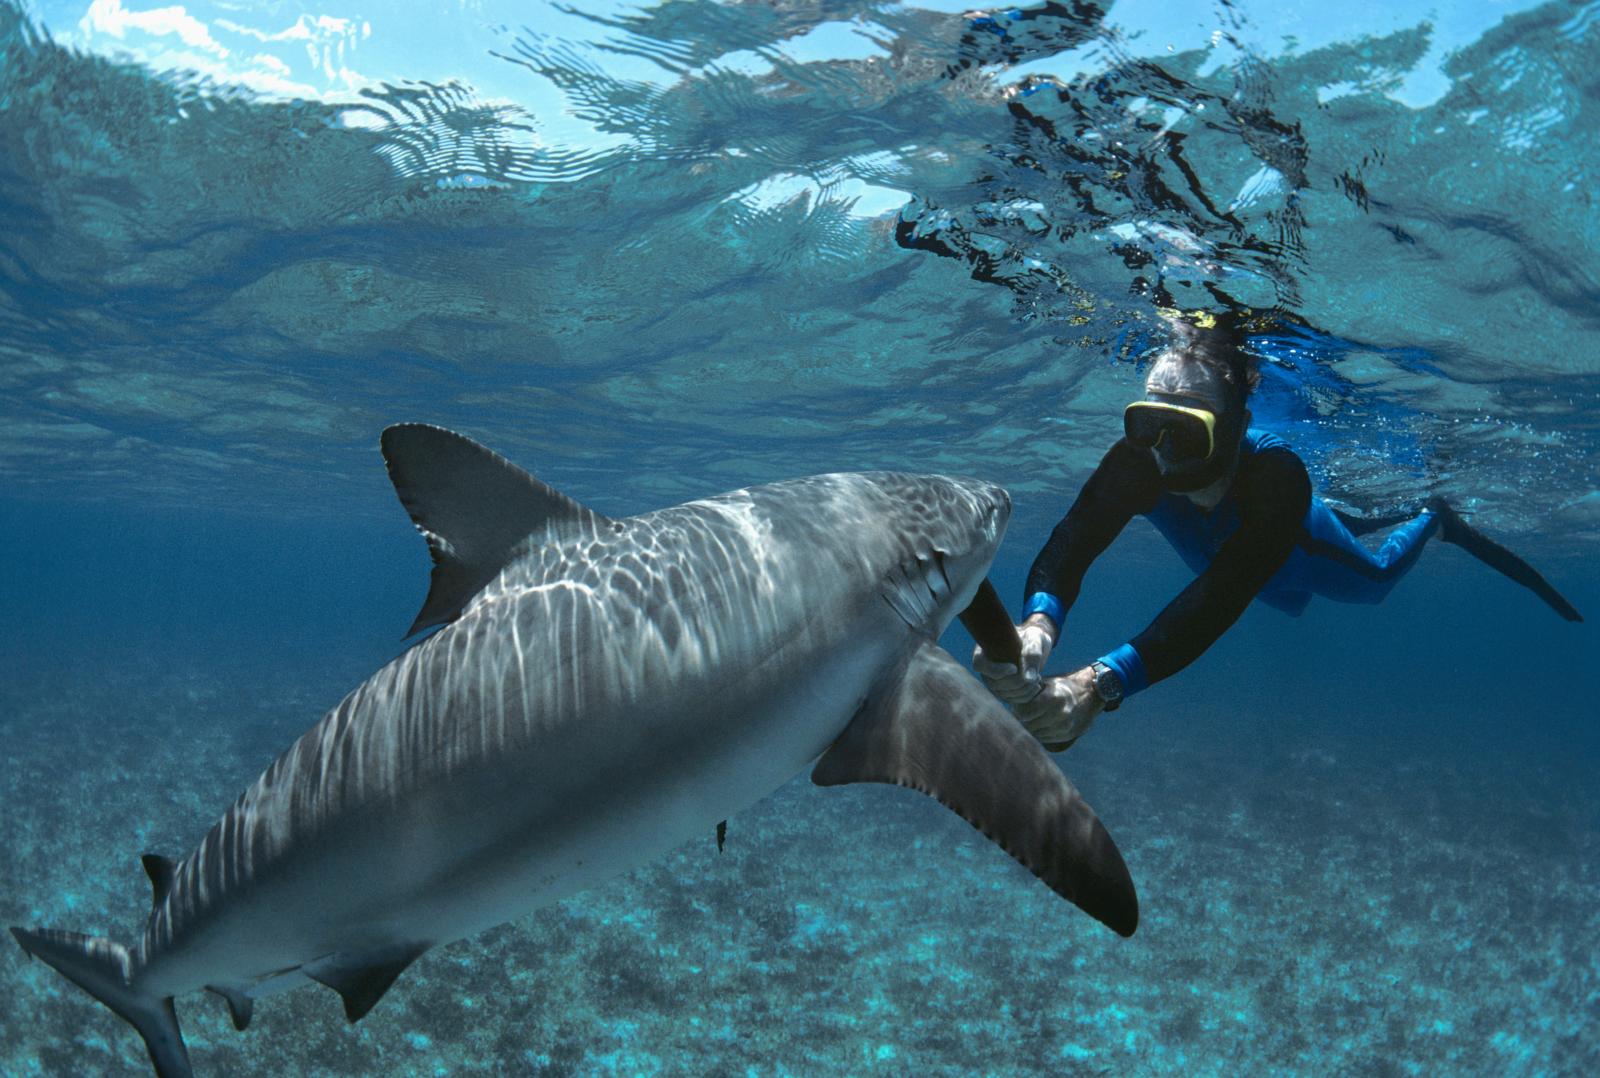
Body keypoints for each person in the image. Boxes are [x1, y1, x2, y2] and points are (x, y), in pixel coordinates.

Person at [974, 310, 1583, 751]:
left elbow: (1224, 592)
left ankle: (1432, 519)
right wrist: (1036, 629)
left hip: (1287, 548)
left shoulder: (1277, 477)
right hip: (1243, 563)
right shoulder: (1139, 463)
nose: (1159, 452)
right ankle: (1372, 518)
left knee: (1372, 583)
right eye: (1148, 423)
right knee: (1286, 605)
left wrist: (1098, 684)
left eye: (1183, 431)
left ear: (1237, 425)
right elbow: (1073, 540)